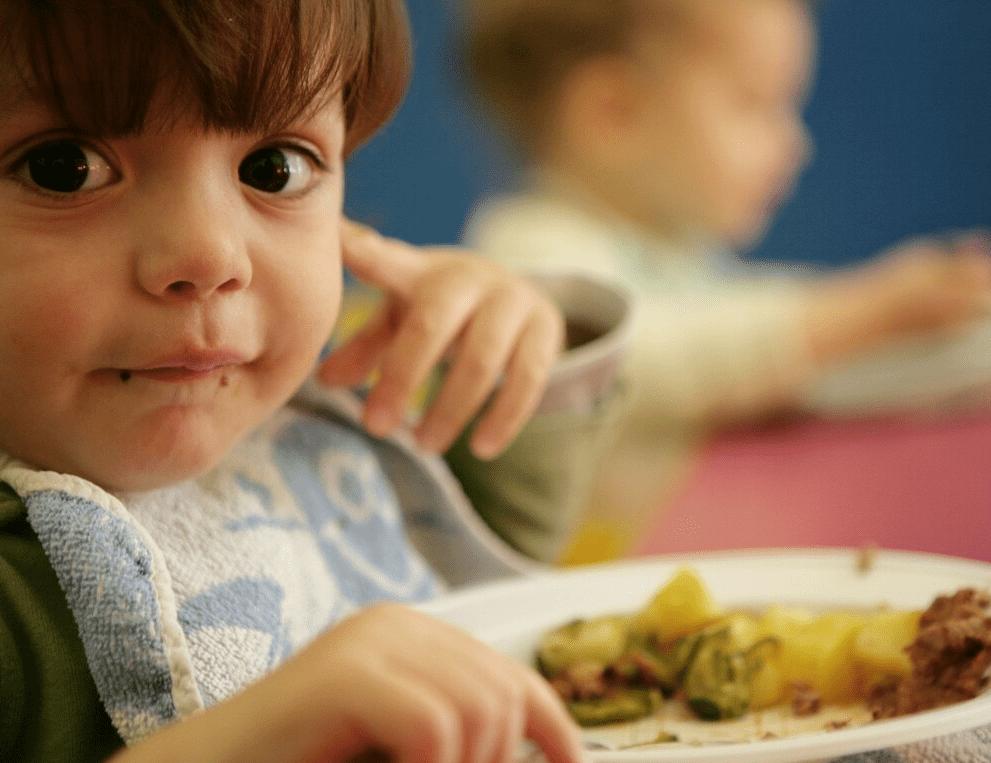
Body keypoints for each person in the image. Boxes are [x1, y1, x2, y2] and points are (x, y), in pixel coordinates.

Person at [0, 2, 589, 761]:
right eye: (66, 167)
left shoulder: (308, 442)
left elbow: (489, 558)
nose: (211, 256)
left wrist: (501, 360)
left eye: (273, 167)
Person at [458, 0, 991, 563]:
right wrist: (864, 311)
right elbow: (643, 362)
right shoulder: (528, 252)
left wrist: (914, 320)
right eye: (756, 105)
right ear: (614, 110)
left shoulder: (669, 253)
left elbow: (750, 316)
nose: (796, 145)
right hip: (586, 584)